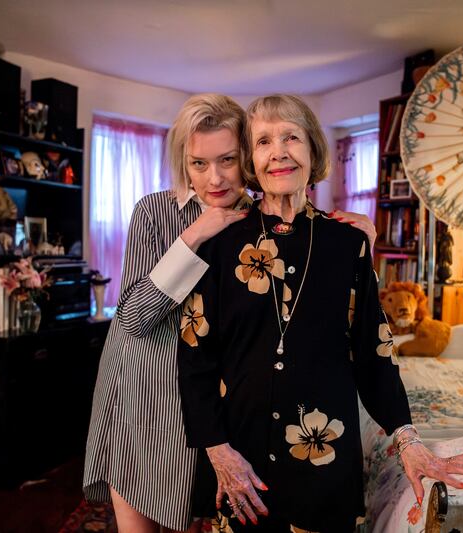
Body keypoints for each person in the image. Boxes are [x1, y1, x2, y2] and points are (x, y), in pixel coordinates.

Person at [177, 94, 463, 532]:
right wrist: (217, 450)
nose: (279, 151)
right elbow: (195, 359)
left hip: (323, 462)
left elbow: (374, 356)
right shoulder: (220, 245)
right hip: (240, 465)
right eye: (263, 141)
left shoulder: (348, 243)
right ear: (251, 159)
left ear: (313, 150)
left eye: (291, 137)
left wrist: (409, 440)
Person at [83, 93, 376, 533]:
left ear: (248, 158)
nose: (214, 177)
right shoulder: (155, 212)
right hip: (143, 390)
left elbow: (312, 313)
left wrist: (357, 243)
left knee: (191, 514)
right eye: (198, 163)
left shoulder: (260, 221)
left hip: (205, 401)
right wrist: (196, 235)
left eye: (227, 159)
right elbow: (134, 317)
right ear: (183, 161)